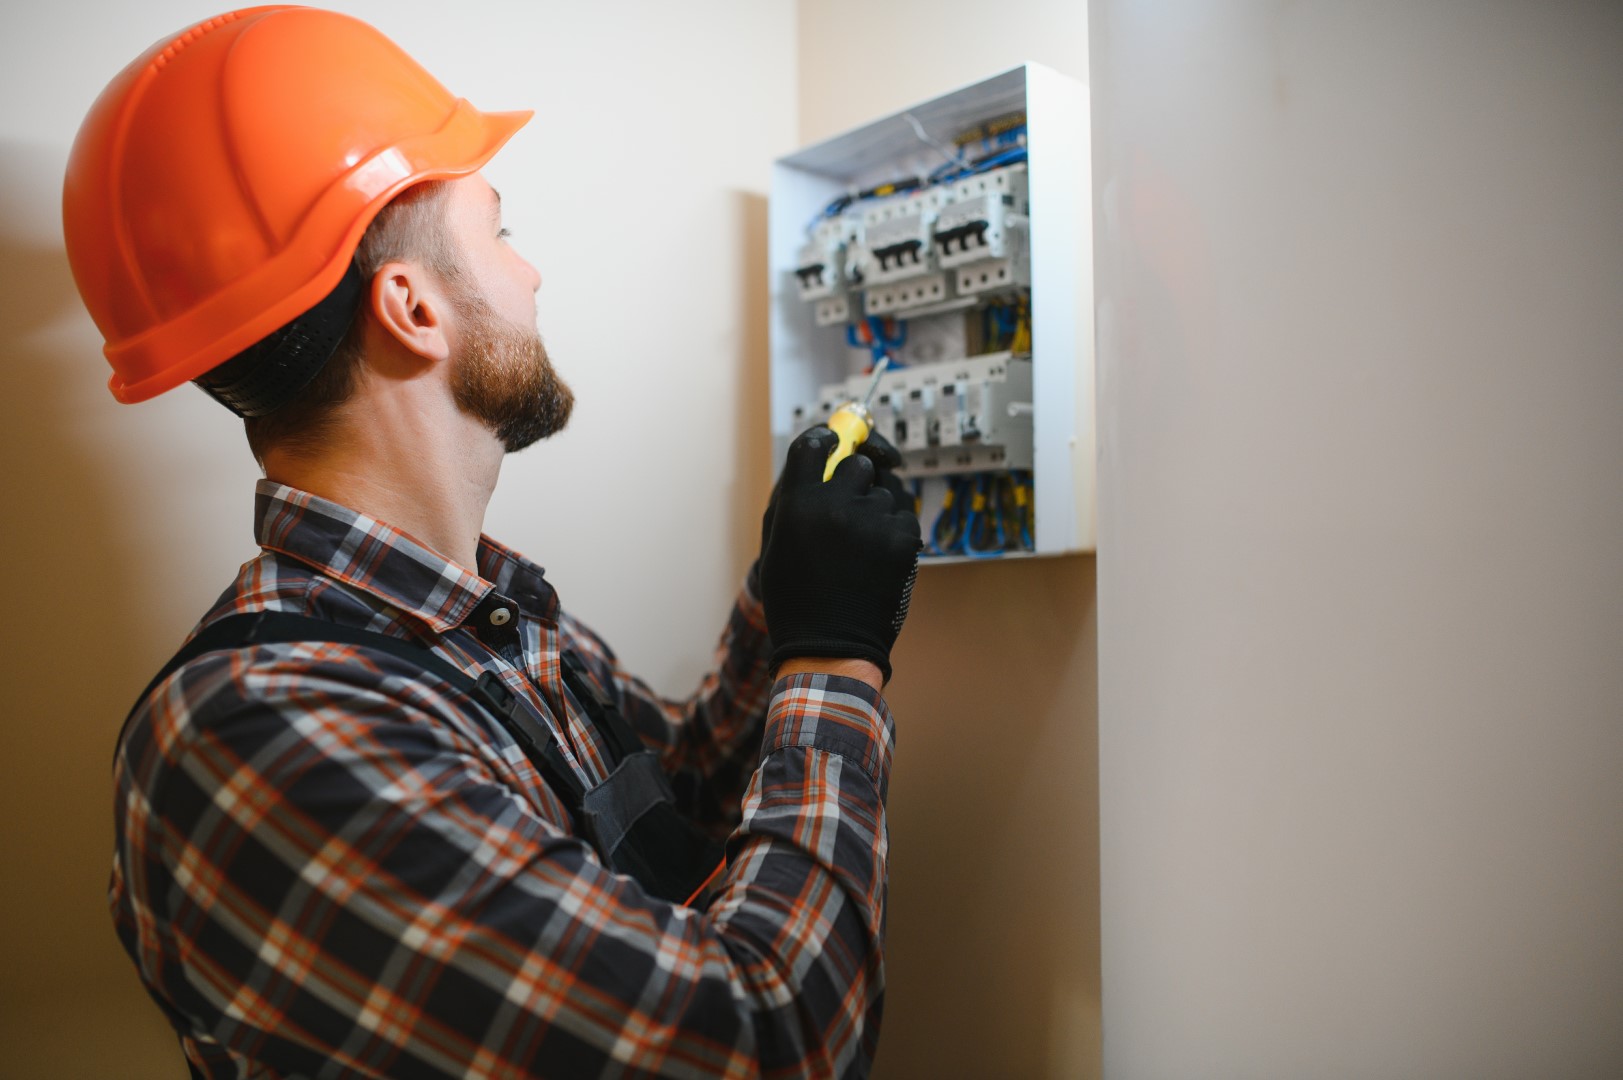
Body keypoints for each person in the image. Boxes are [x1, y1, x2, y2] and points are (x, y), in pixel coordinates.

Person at [64, 8, 921, 1078]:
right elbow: (764, 1044)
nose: (531, 274)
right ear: (413, 307)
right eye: (500, 230)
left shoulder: (485, 623)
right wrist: (833, 657)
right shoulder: (263, 736)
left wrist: (784, 605)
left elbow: (680, 812)